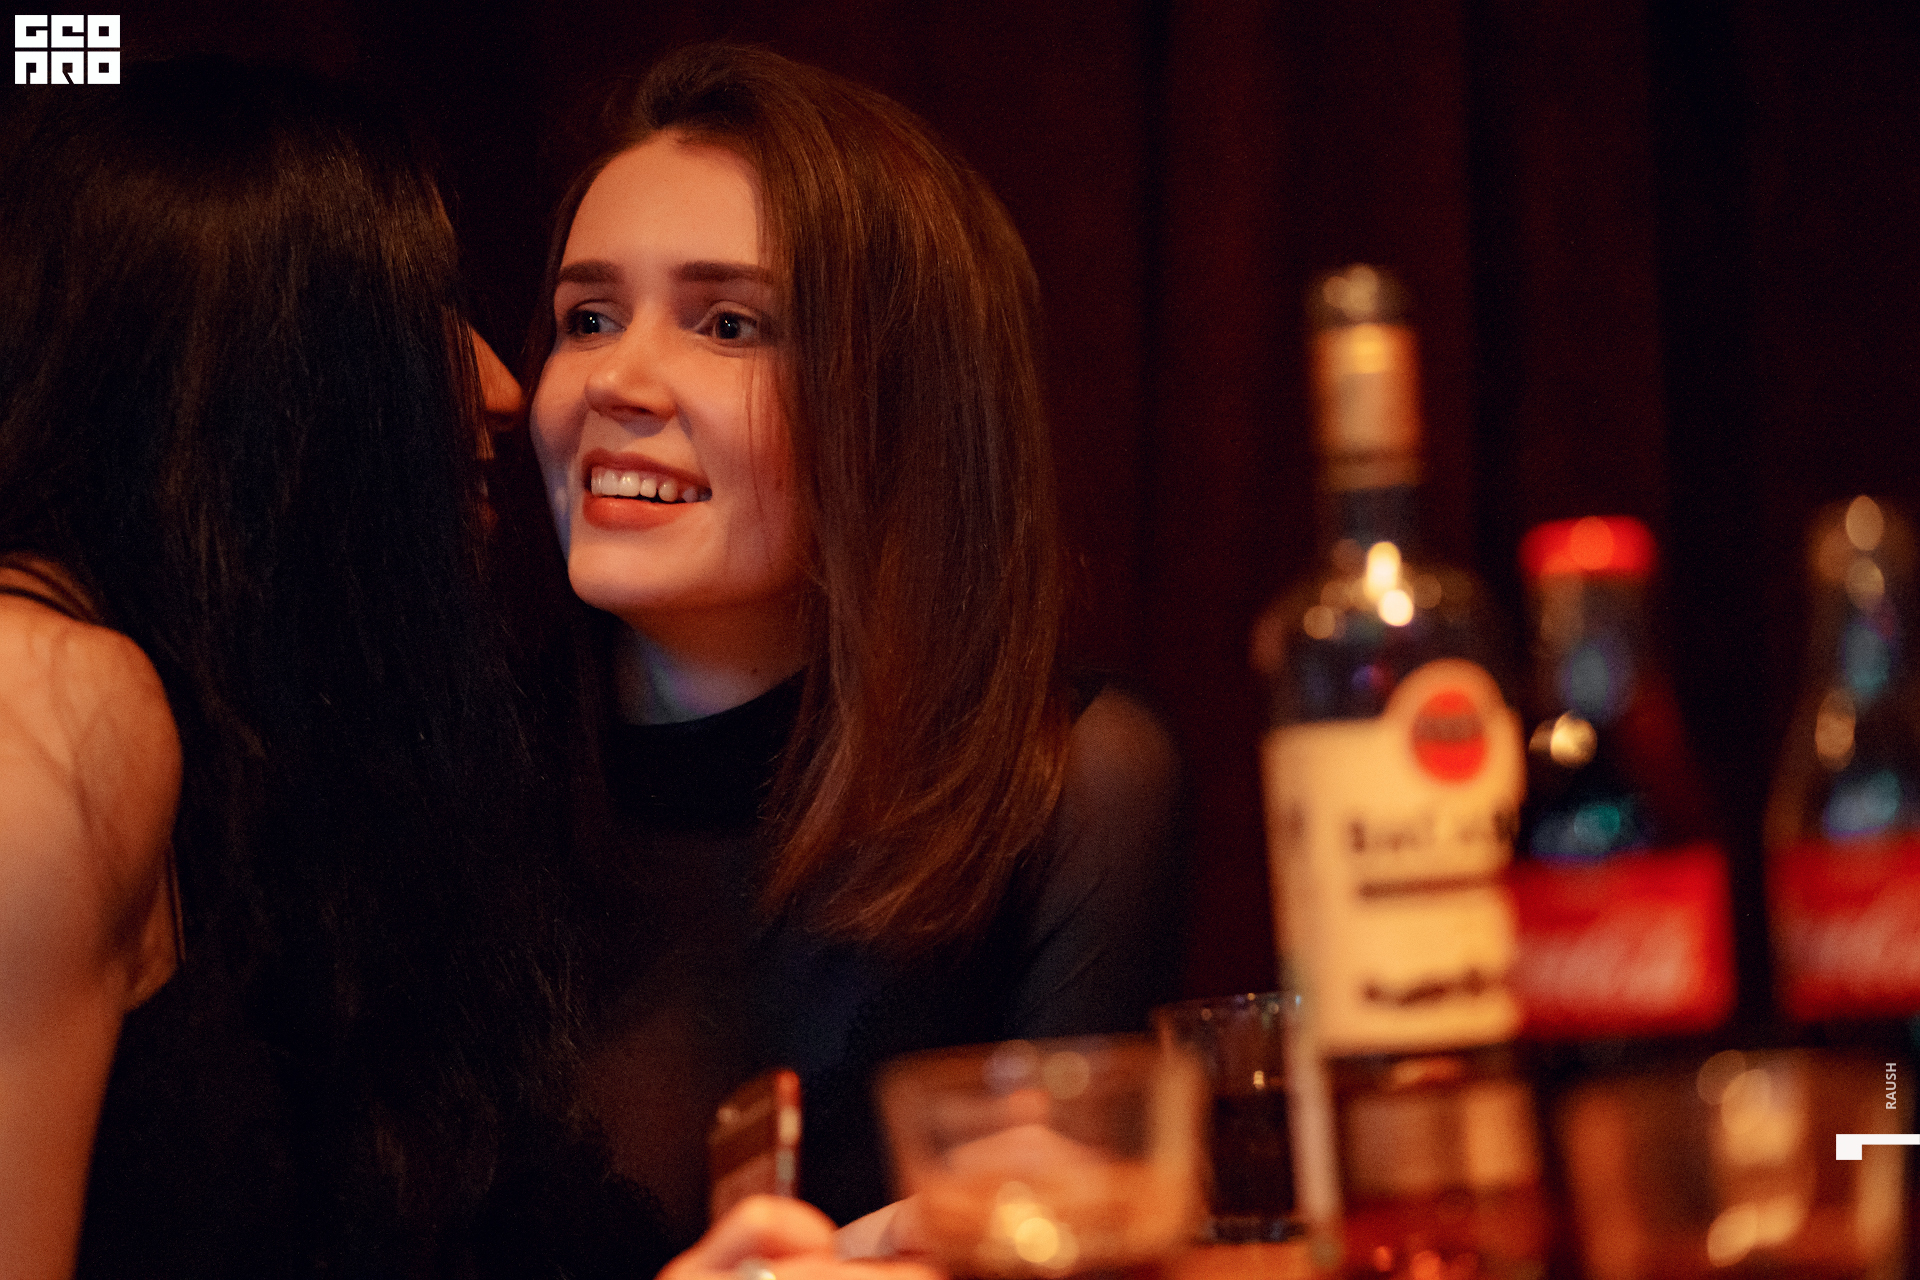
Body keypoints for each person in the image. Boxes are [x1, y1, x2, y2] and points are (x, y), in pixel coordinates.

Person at [0, 60, 939, 1280]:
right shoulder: (47, 694)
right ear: (256, 351)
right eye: (419, 307)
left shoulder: (279, 735)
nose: (503, 382)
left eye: (727, 324)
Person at [524, 44, 1186, 1250]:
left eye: (728, 324)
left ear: (900, 404)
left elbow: (1069, 1250)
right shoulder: (450, 780)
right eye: (589, 317)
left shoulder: (1067, 786)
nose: (617, 377)